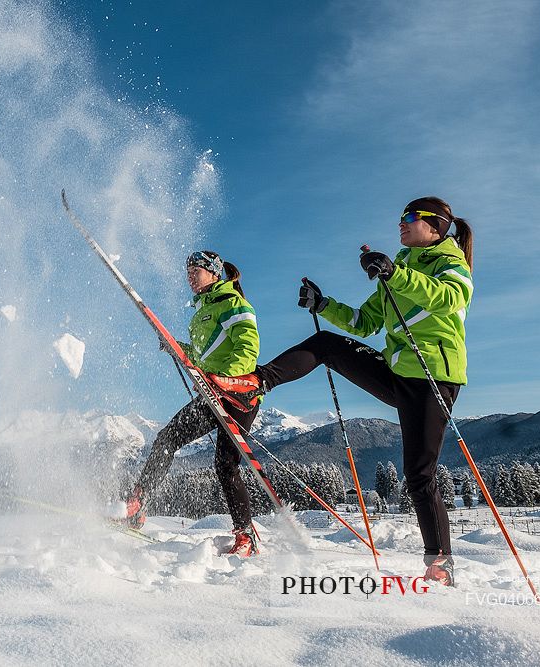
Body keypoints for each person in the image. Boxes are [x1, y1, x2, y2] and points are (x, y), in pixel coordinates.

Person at [253, 196, 473, 585]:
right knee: (327, 346)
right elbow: (365, 321)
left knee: (418, 474)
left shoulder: (450, 260)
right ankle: (258, 382)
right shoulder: (401, 266)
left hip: (433, 375)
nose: (401, 223)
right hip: (397, 371)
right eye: (400, 217)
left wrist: (393, 275)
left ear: (436, 225)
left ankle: (441, 563)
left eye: (410, 217)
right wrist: (324, 304)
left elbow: (451, 298)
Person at [122, 250, 264, 557]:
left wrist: (226, 380)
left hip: (238, 395)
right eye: (187, 270)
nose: (190, 276)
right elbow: (199, 358)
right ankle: (138, 506)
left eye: (195, 270)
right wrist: (174, 345)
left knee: (225, 465)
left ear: (214, 273)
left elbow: (248, 348)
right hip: (210, 393)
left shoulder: (233, 304)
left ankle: (246, 536)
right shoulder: (200, 313)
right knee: (166, 439)